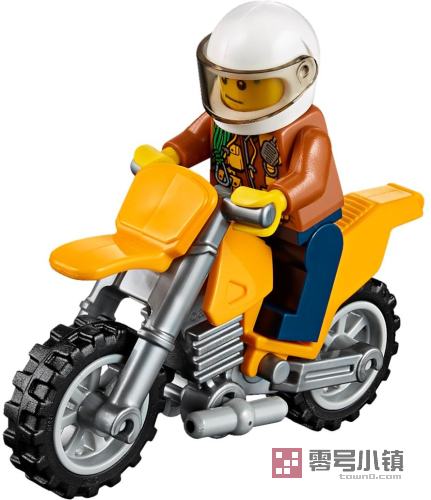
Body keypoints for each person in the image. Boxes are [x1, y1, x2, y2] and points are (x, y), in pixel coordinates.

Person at [133, 1, 344, 342]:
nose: (231, 92)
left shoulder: (308, 131)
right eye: (226, 80)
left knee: (304, 266)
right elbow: (194, 139)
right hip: (228, 211)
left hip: (293, 224)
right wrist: (168, 156)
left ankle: (293, 338)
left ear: (301, 75)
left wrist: (277, 198)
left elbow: (310, 178)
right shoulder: (222, 118)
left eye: (246, 84)